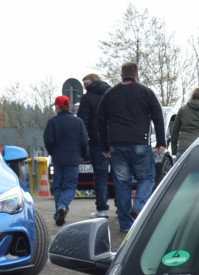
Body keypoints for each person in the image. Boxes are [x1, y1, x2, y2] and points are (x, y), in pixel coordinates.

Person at [95, 62, 166, 233]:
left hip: (117, 146)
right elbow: (158, 116)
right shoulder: (146, 92)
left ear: (121, 75)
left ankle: (126, 225)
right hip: (140, 143)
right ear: (137, 75)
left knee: (122, 184)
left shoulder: (109, 94)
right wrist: (161, 142)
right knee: (147, 178)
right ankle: (140, 206)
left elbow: (100, 121)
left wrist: (105, 146)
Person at [43, 95, 89, 226]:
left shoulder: (53, 122)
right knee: (69, 187)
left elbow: (48, 140)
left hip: (58, 159)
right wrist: (82, 155)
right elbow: (84, 140)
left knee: (58, 186)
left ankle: (59, 210)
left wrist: (53, 152)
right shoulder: (78, 122)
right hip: (73, 159)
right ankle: (62, 207)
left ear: (57, 107)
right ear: (68, 107)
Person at [77, 72, 112, 218]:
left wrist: (84, 142)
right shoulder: (111, 94)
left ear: (92, 83)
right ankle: (124, 210)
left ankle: (102, 209)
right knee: (121, 176)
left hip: (97, 141)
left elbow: (82, 122)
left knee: (100, 175)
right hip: (116, 139)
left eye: (86, 84)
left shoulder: (87, 98)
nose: (85, 87)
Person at [171, 87, 199, 155]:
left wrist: (174, 150)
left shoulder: (183, 110)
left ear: (192, 96)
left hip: (183, 147)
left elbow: (175, 131)